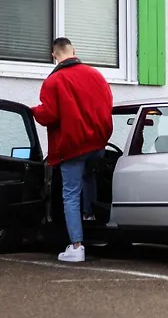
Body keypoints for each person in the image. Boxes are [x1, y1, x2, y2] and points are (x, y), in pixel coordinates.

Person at [31, 37, 114, 263]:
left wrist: (34, 111)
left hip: (72, 147)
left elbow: (49, 115)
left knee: (70, 195)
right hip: (97, 143)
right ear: (74, 51)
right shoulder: (96, 75)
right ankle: (89, 215)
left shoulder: (54, 81)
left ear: (53, 55)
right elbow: (107, 104)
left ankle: (76, 246)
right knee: (89, 177)